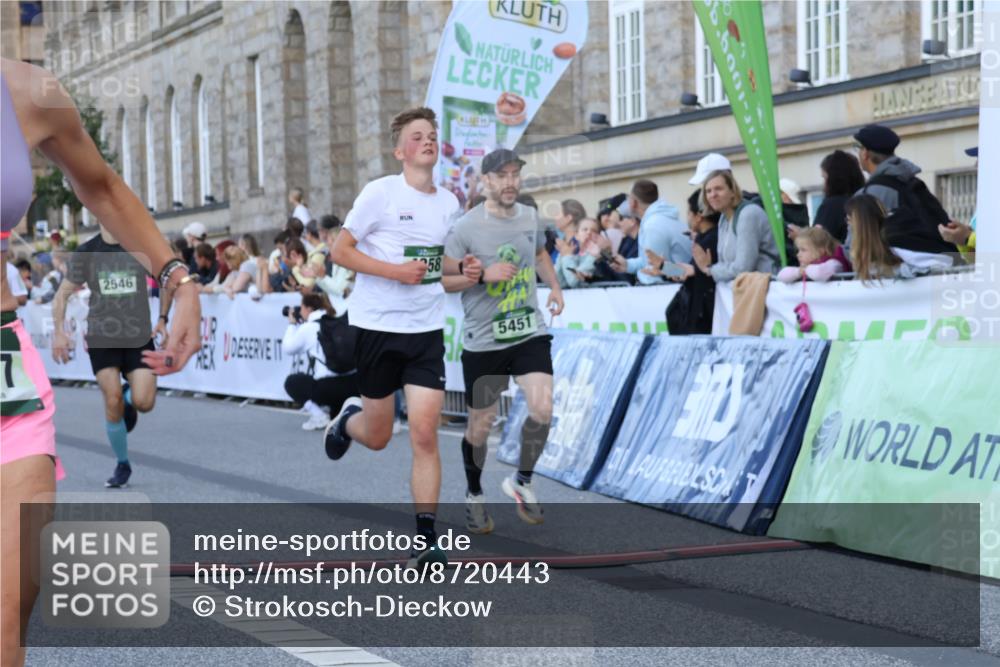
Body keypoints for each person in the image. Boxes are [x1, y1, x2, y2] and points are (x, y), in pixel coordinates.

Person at [1, 61, 200, 666]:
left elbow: (104, 188)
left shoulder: (28, 91)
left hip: (4, 366)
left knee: (7, 618)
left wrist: (178, 278)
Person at [324, 107, 482, 568]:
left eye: (432, 135)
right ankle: (346, 421)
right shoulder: (380, 193)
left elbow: (436, 260)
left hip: (425, 331)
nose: (427, 141)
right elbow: (340, 251)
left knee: (425, 434)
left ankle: (427, 539)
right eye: (417, 136)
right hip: (377, 327)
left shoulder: (449, 201)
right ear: (400, 151)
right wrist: (394, 272)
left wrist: (462, 266)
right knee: (377, 437)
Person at [443, 148, 564, 533]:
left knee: (543, 407)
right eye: (502, 175)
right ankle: (474, 494)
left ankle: (522, 481)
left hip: (529, 331)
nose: (510, 182)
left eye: (515, 174)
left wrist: (554, 287)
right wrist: (482, 275)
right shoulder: (465, 228)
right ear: (486, 181)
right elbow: (443, 280)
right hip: (485, 340)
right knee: (480, 426)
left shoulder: (529, 217)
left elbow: (540, 253)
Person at [52, 223, 173, 487]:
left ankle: (129, 398)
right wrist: (59, 332)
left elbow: (167, 279)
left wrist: (163, 318)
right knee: (112, 399)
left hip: (138, 336)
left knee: (144, 402)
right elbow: (62, 295)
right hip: (102, 336)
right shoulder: (88, 251)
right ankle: (122, 463)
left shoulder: (139, 244)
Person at [852, 124, 956, 256]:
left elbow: (856, 243)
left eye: (858, 148)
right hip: (940, 259)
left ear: (865, 153)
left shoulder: (869, 194)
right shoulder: (913, 181)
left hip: (897, 265)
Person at [282, 292, 360, 431]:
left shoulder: (308, 327)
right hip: (354, 385)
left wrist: (292, 324)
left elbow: (288, 348)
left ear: (309, 309)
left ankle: (319, 416)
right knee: (336, 416)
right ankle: (340, 413)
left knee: (292, 382)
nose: (300, 311)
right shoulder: (336, 322)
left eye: (302, 308)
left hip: (328, 388)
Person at [690, 170, 780, 282]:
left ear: (733, 191)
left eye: (719, 189)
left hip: (765, 286)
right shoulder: (723, 218)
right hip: (743, 287)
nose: (713, 195)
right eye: (708, 191)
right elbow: (724, 263)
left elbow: (743, 268)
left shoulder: (748, 214)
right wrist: (710, 269)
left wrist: (710, 270)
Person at [659, 190, 720, 334]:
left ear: (698, 217)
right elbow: (689, 272)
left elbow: (692, 273)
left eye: (688, 212)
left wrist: (663, 267)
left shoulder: (709, 241)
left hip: (703, 318)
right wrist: (663, 268)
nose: (687, 217)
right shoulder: (706, 238)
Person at [610, 179, 690, 284]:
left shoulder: (653, 225)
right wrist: (627, 265)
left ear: (633, 202)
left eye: (628, 199)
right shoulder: (659, 219)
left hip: (673, 289)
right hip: (679, 285)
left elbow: (653, 275)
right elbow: (650, 261)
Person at [777, 226, 849, 283]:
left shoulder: (834, 263)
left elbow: (819, 273)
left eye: (803, 250)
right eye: (798, 250)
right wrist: (798, 272)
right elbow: (781, 276)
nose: (798, 255)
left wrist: (805, 270)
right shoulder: (807, 267)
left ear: (820, 251)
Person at [555, 218, 604, 288]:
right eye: (585, 229)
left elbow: (574, 281)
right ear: (576, 235)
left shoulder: (596, 257)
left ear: (598, 236)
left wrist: (567, 256)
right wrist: (562, 255)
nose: (589, 232)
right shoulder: (570, 252)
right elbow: (558, 282)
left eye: (594, 231)